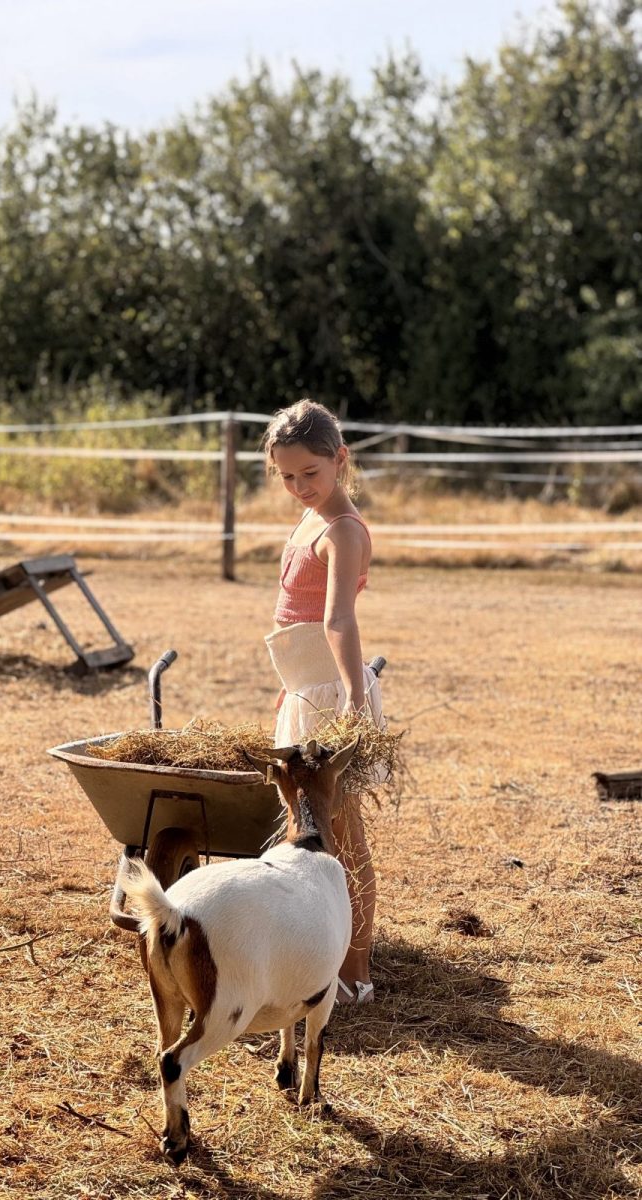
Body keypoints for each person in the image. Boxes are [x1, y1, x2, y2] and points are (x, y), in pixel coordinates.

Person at [263, 398, 384, 1005]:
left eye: (310, 473)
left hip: (333, 694)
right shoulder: (309, 519)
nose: (298, 486)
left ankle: (356, 973)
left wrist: (354, 705)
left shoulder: (342, 530)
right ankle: (315, 955)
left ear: (340, 459)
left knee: (343, 833)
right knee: (311, 831)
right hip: (304, 689)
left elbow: (338, 620)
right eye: (286, 476)